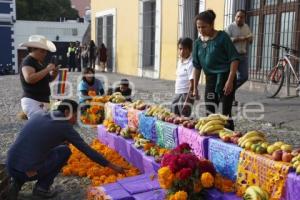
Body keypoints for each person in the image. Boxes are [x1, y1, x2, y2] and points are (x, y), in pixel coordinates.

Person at [6, 99, 124, 199]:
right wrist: (113, 166)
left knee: (38, 153)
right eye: (75, 115)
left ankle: (16, 181)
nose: (76, 119)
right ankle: (42, 188)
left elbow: (42, 140)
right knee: (65, 151)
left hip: (10, 165)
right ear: (67, 112)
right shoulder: (64, 126)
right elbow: (87, 150)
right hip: (27, 172)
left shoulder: (39, 114)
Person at [192, 10, 240, 130]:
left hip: (226, 77)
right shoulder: (197, 43)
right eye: (199, 27)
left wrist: (230, 81)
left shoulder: (222, 37)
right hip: (210, 80)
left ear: (212, 24)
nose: (201, 30)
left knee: (225, 113)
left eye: (204, 27)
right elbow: (197, 67)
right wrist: (194, 87)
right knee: (209, 111)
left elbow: (234, 59)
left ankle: (229, 139)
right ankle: (213, 139)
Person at [19, 35, 58, 119]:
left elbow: (47, 79)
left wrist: (54, 73)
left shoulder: (38, 62)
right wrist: (47, 69)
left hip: (41, 101)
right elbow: (29, 78)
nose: (45, 54)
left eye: (45, 51)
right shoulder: (28, 61)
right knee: (39, 126)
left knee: (42, 127)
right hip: (33, 100)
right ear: (33, 49)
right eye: (42, 51)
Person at [225, 9, 252, 106]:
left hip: (243, 55)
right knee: (231, 78)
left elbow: (250, 40)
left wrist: (250, 39)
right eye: (238, 16)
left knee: (244, 77)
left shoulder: (246, 27)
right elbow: (226, 41)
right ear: (235, 17)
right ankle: (229, 97)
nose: (240, 19)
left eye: (242, 17)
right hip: (232, 56)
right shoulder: (230, 27)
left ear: (245, 18)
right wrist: (239, 39)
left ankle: (227, 90)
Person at [171, 37, 194, 117]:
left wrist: (187, 101)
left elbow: (193, 84)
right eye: (180, 49)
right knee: (173, 115)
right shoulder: (180, 61)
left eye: (185, 49)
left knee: (183, 117)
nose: (182, 51)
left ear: (190, 50)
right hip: (178, 92)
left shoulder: (191, 63)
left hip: (186, 94)